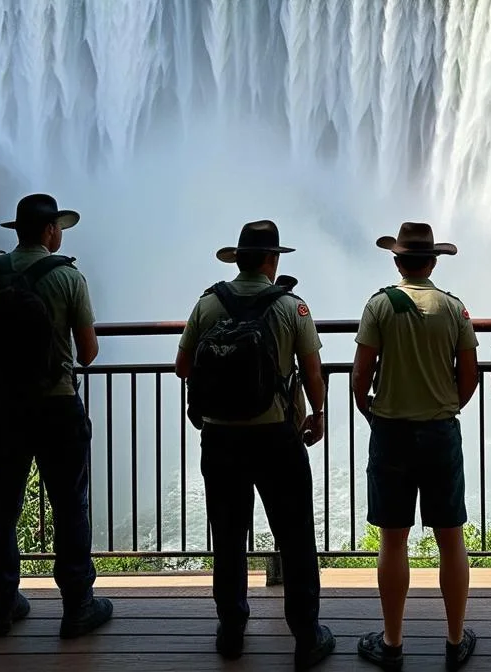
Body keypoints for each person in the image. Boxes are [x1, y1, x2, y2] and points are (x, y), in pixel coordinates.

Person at [174, 220, 334, 668]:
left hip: (221, 438)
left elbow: (182, 366)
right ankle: (306, 635)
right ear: (271, 260)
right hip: (277, 437)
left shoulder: (208, 304)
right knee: (296, 535)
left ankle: (231, 630)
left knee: (227, 536)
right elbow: (313, 372)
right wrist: (318, 415)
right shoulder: (292, 308)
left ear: (238, 259)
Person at [0, 193, 112, 639]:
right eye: (59, 228)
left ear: (18, 231)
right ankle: (77, 606)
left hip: (5, 405)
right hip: (56, 406)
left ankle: (2, 604)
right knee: (71, 507)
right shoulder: (68, 276)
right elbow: (89, 353)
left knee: (3, 506)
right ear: (50, 231)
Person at [352, 222, 480, 671]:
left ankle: (392, 643)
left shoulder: (379, 306)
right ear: (433, 262)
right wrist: (446, 405)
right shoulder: (455, 309)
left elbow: (359, 378)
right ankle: (454, 639)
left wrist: (375, 412)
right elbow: (470, 377)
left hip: (391, 433)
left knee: (392, 540)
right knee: (451, 540)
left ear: (396, 261)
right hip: (440, 433)